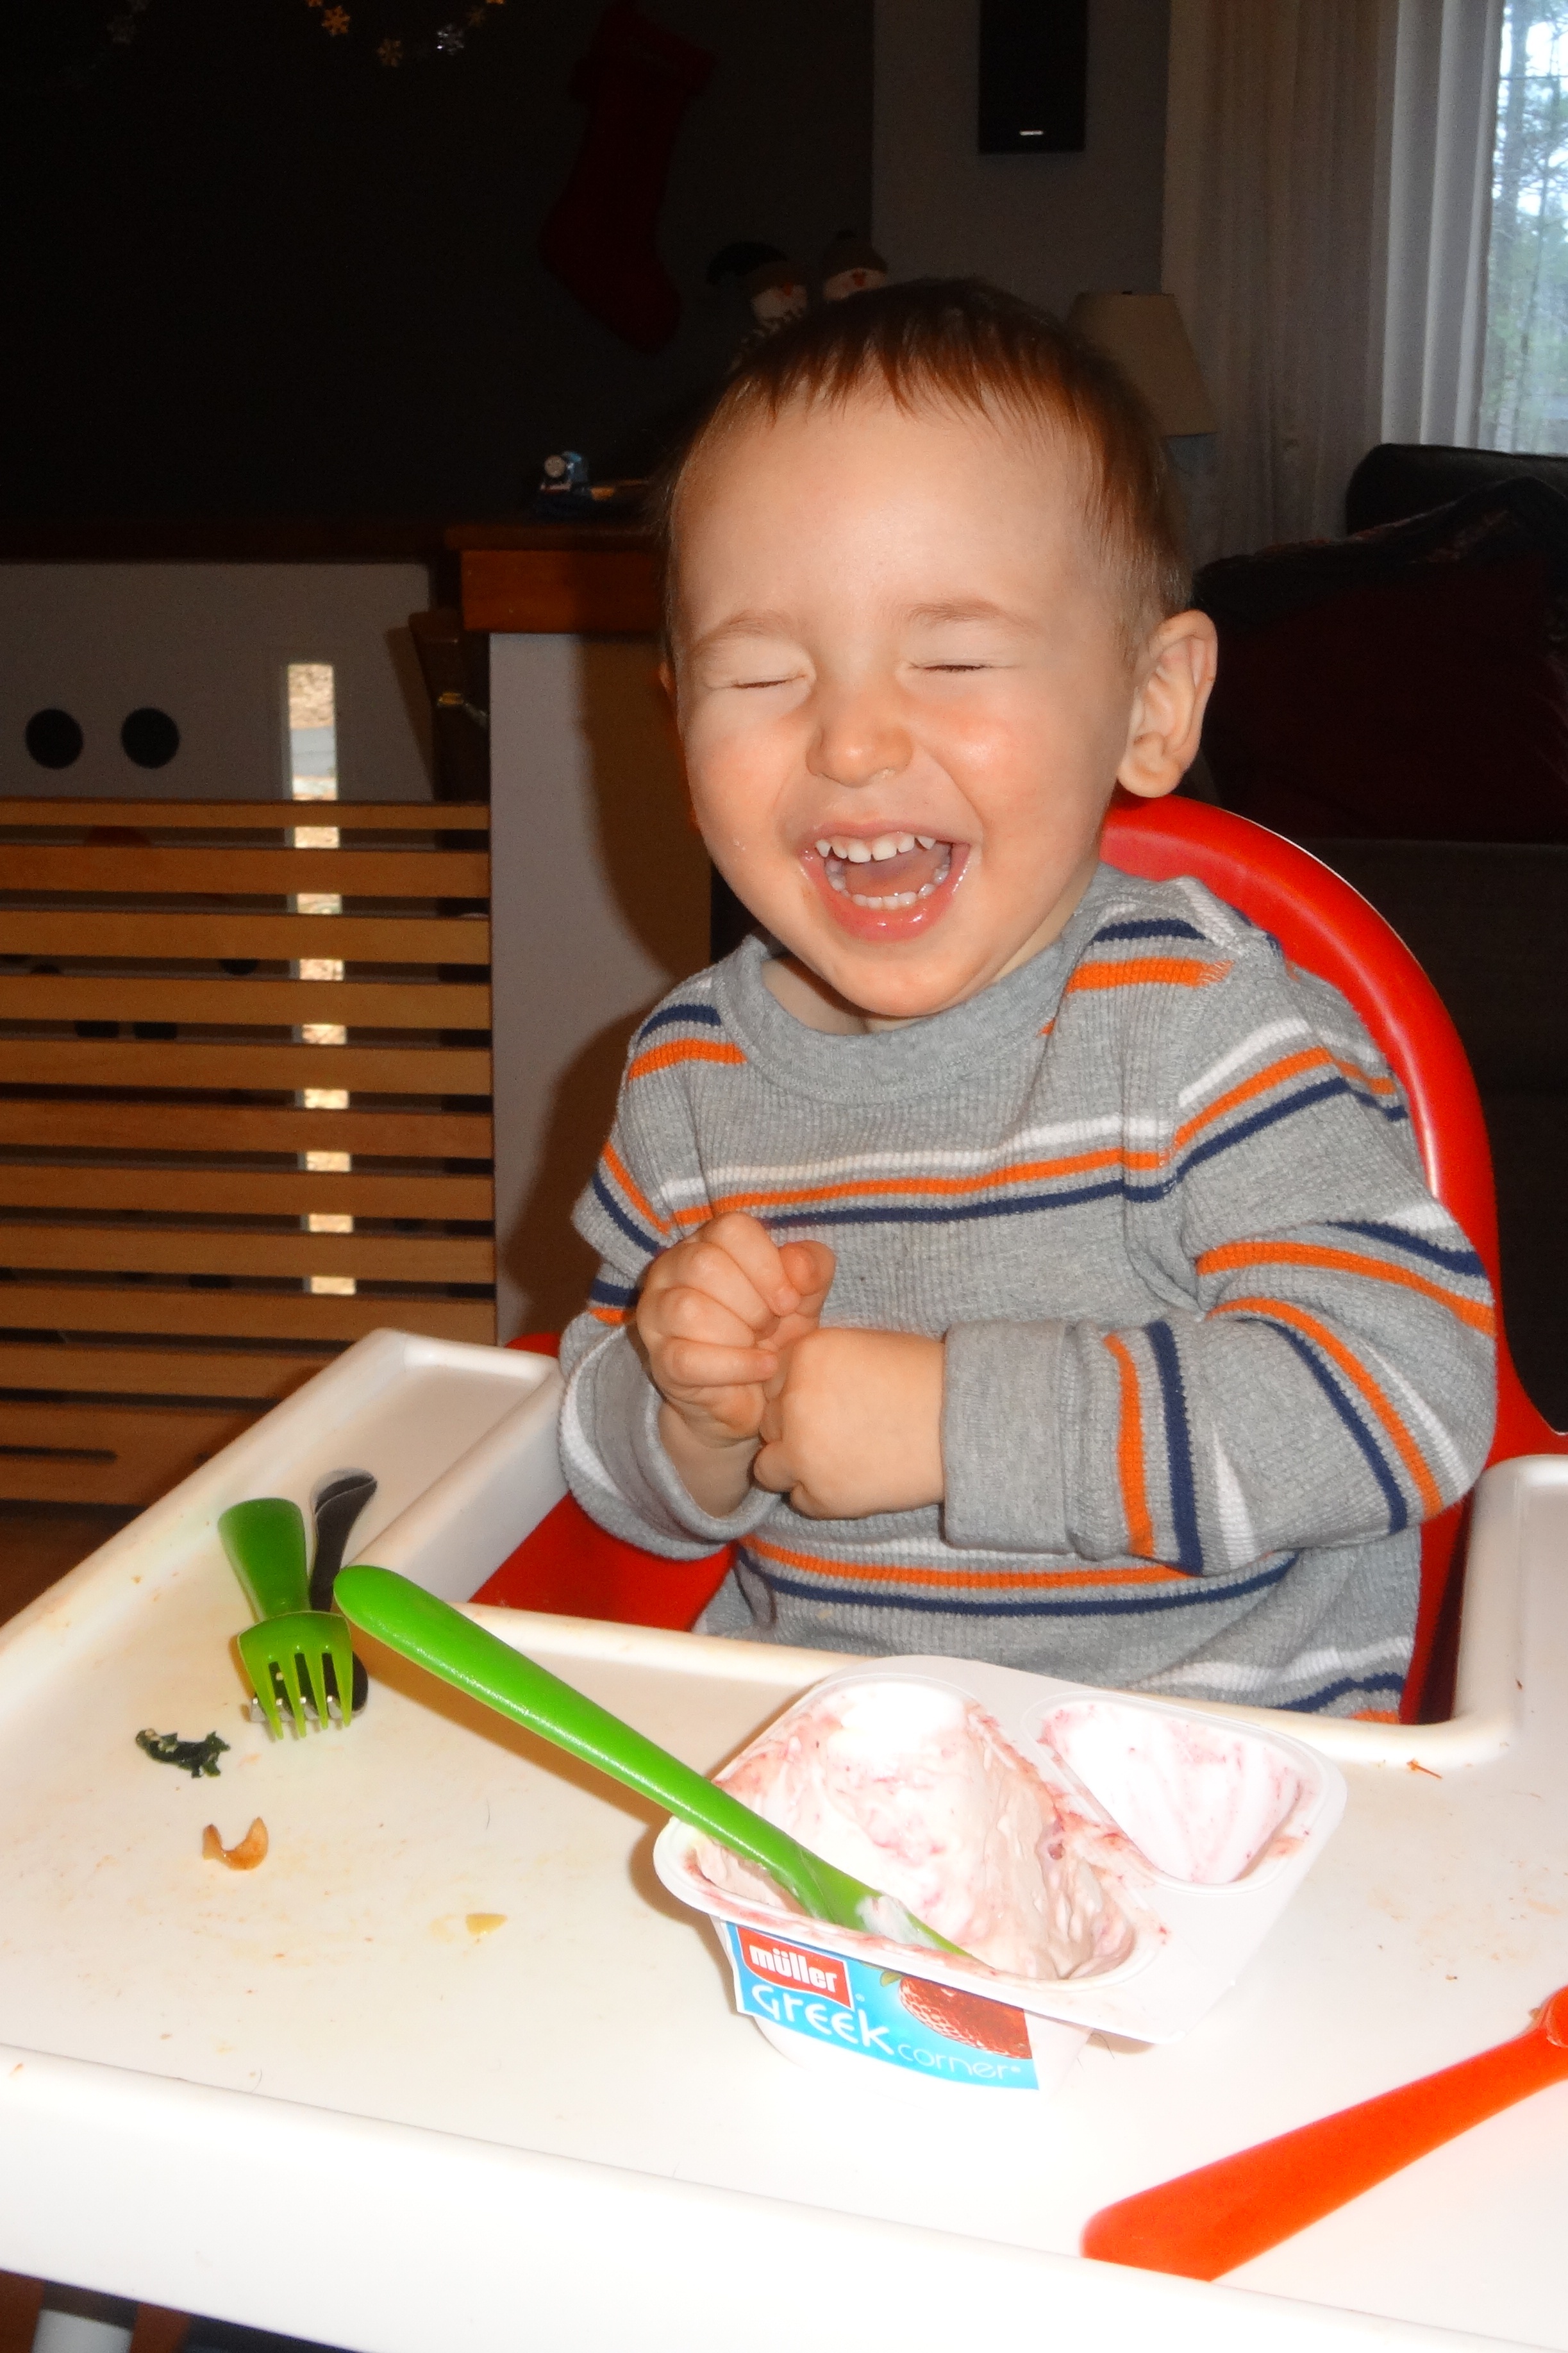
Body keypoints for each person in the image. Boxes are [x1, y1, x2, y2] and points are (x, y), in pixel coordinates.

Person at [556, 278, 1496, 1716]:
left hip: (1213, 1771)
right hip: (824, 1771)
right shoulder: (687, 1080)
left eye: (949, 657)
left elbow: (1406, 1394)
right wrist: (684, 1412)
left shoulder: (1206, 1027)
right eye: (761, 674)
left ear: (1151, 704)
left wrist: (952, 1421)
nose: (852, 740)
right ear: (678, 720)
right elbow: (604, 1469)